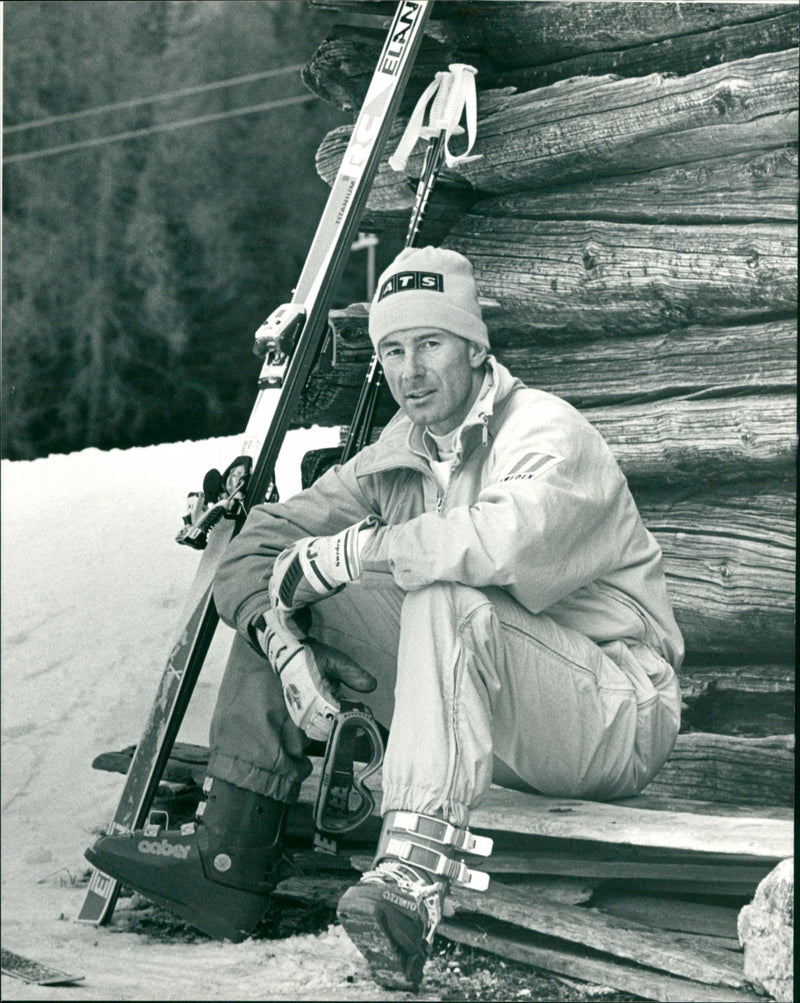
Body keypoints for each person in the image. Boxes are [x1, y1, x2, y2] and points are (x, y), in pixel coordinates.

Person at [88, 246, 683, 990]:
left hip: (616, 714)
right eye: (394, 350)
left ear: (473, 345)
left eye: (431, 343)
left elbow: (496, 540)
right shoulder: (396, 455)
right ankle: (228, 862)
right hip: (497, 722)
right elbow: (259, 545)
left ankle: (408, 883)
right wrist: (284, 646)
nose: (412, 370)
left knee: (440, 590)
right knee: (288, 586)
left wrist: (358, 551)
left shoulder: (546, 432)